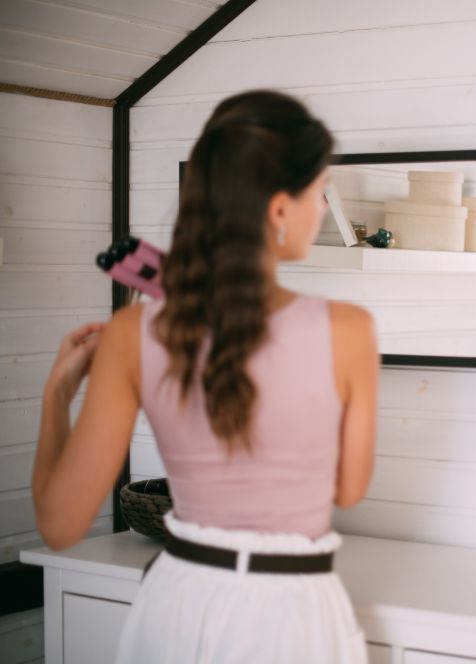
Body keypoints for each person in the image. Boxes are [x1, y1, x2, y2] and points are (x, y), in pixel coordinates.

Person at [31, 90, 378, 663]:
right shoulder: (348, 331)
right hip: (293, 615)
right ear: (278, 209)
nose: (321, 208)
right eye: (319, 190)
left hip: (178, 604)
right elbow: (348, 489)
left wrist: (56, 396)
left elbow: (60, 525)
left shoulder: (132, 334)